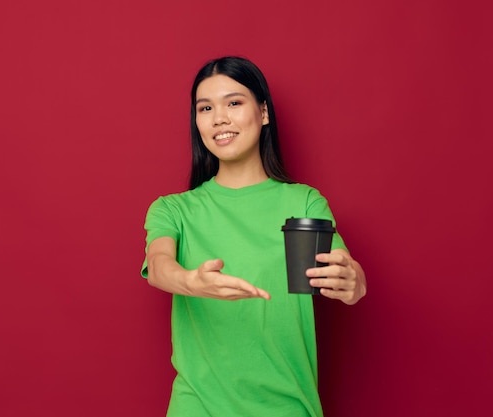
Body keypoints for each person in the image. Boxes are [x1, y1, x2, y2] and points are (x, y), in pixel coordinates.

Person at [141, 56, 367, 417]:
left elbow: (345, 270)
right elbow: (158, 265)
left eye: (233, 102)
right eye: (205, 108)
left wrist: (354, 282)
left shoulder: (303, 201)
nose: (219, 118)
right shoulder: (174, 210)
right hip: (197, 406)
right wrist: (190, 281)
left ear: (263, 113)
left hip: (287, 406)